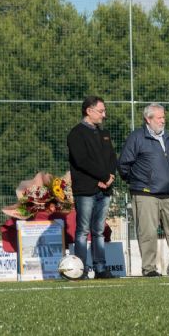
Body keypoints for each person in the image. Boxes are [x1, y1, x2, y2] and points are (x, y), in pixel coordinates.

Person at [118, 103, 169, 277]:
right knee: (148, 233)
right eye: (159, 117)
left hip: (168, 193)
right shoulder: (136, 137)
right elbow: (123, 165)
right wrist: (138, 182)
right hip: (145, 193)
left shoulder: (168, 137)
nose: (163, 120)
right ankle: (149, 269)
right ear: (148, 119)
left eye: (163, 117)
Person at [67, 96, 118, 279]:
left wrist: (110, 176)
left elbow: (112, 157)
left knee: (99, 230)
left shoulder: (104, 133)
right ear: (89, 111)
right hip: (86, 189)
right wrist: (102, 176)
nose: (104, 115)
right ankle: (79, 269)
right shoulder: (76, 134)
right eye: (101, 111)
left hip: (104, 189)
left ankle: (100, 268)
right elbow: (82, 161)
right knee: (83, 231)